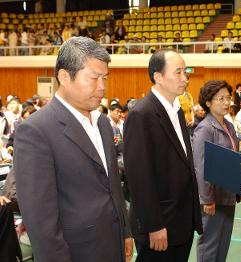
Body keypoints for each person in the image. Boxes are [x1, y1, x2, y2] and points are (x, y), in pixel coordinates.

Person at [13, 37, 133, 262]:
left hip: (112, 244)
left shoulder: (103, 123)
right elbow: (40, 220)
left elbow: (113, 186)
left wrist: (125, 231)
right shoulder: (36, 130)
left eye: (104, 78)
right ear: (64, 77)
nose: (102, 87)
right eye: (94, 78)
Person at [123, 49, 202, 261]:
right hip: (160, 226)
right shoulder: (141, 115)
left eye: (185, 72)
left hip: (181, 222)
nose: (185, 78)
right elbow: (140, 177)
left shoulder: (176, 110)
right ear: (158, 77)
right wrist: (154, 225)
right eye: (178, 72)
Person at [193, 80, 239, 261]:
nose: (226, 102)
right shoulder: (205, 129)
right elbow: (201, 166)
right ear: (208, 102)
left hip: (228, 196)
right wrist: (207, 199)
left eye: (228, 98)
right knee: (209, 247)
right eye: (221, 99)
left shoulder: (229, 126)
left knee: (223, 245)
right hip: (213, 199)